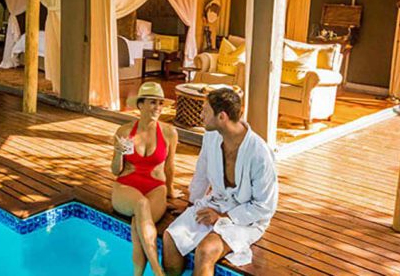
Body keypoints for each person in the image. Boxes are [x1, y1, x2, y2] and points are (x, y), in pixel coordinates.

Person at [162, 88, 278, 276]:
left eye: (205, 111)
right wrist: (191, 205)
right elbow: (202, 172)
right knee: (171, 238)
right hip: (215, 204)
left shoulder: (260, 154)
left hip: (246, 218)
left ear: (222, 116)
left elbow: (265, 206)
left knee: (206, 250)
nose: (201, 115)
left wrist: (225, 217)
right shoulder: (212, 136)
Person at [112, 82, 179, 276]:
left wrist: (171, 190)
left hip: (156, 187)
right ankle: (158, 271)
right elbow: (116, 170)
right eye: (152, 102)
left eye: (160, 103)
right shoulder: (124, 132)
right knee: (141, 205)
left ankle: (137, 274)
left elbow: (170, 166)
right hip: (127, 185)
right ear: (140, 105)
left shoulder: (169, 132)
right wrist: (117, 154)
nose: (157, 107)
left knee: (137, 225)